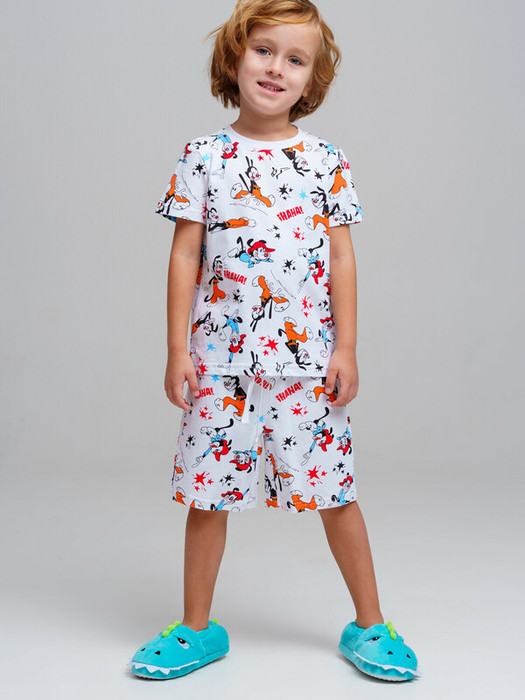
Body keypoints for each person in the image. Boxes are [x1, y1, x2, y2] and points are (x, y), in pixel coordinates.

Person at [129, 0, 419, 683]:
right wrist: (177, 350)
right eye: (263, 50)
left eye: (295, 59)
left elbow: (341, 259)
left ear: (311, 79)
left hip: (305, 366)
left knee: (335, 494)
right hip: (219, 365)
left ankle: (370, 623)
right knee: (208, 497)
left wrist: (346, 348)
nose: (276, 68)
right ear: (234, 57)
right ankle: (196, 628)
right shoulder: (203, 156)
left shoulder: (326, 161)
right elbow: (184, 255)